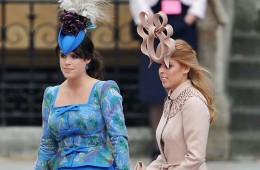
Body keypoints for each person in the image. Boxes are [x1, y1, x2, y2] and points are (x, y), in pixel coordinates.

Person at [34, 0, 130, 169]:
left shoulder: (104, 90)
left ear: (87, 59)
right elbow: (47, 145)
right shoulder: (51, 94)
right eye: (63, 56)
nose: (67, 62)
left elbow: (118, 139)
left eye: (74, 56)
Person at [136, 11, 216, 170]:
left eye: (169, 66)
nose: (161, 71)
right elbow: (165, 156)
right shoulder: (171, 99)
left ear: (186, 68)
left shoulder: (193, 102)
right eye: (160, 65)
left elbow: (195, 158)